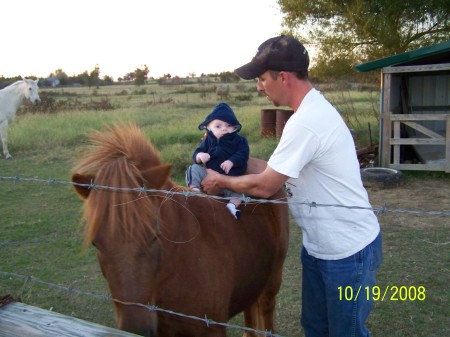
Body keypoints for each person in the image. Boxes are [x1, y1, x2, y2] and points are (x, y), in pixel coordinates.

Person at [201, 35, 382, 336]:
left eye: (261, 79)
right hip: (319, 248)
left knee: (345, 332)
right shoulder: (308, 113)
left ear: (282, 77)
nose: (259, 86)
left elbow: (265, 185)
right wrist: (225, 161)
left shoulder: (306, 122)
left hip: (348, 254)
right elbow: (274, 170)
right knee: (315, 328)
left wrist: (220, 181)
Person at [186, 102, 249, 219]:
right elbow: (196, 152)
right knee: (193, 169)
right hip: (209, 175)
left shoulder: (239, 140)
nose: (224, 129)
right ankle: (195, 190)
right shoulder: (208, 140)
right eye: (218, 126)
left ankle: (232, 206)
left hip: (232, 180)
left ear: (235, 127)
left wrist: (232, 161)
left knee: (241, 191)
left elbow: (243, 153)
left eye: (228, 125)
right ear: (209, 128)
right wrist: (200, 155)